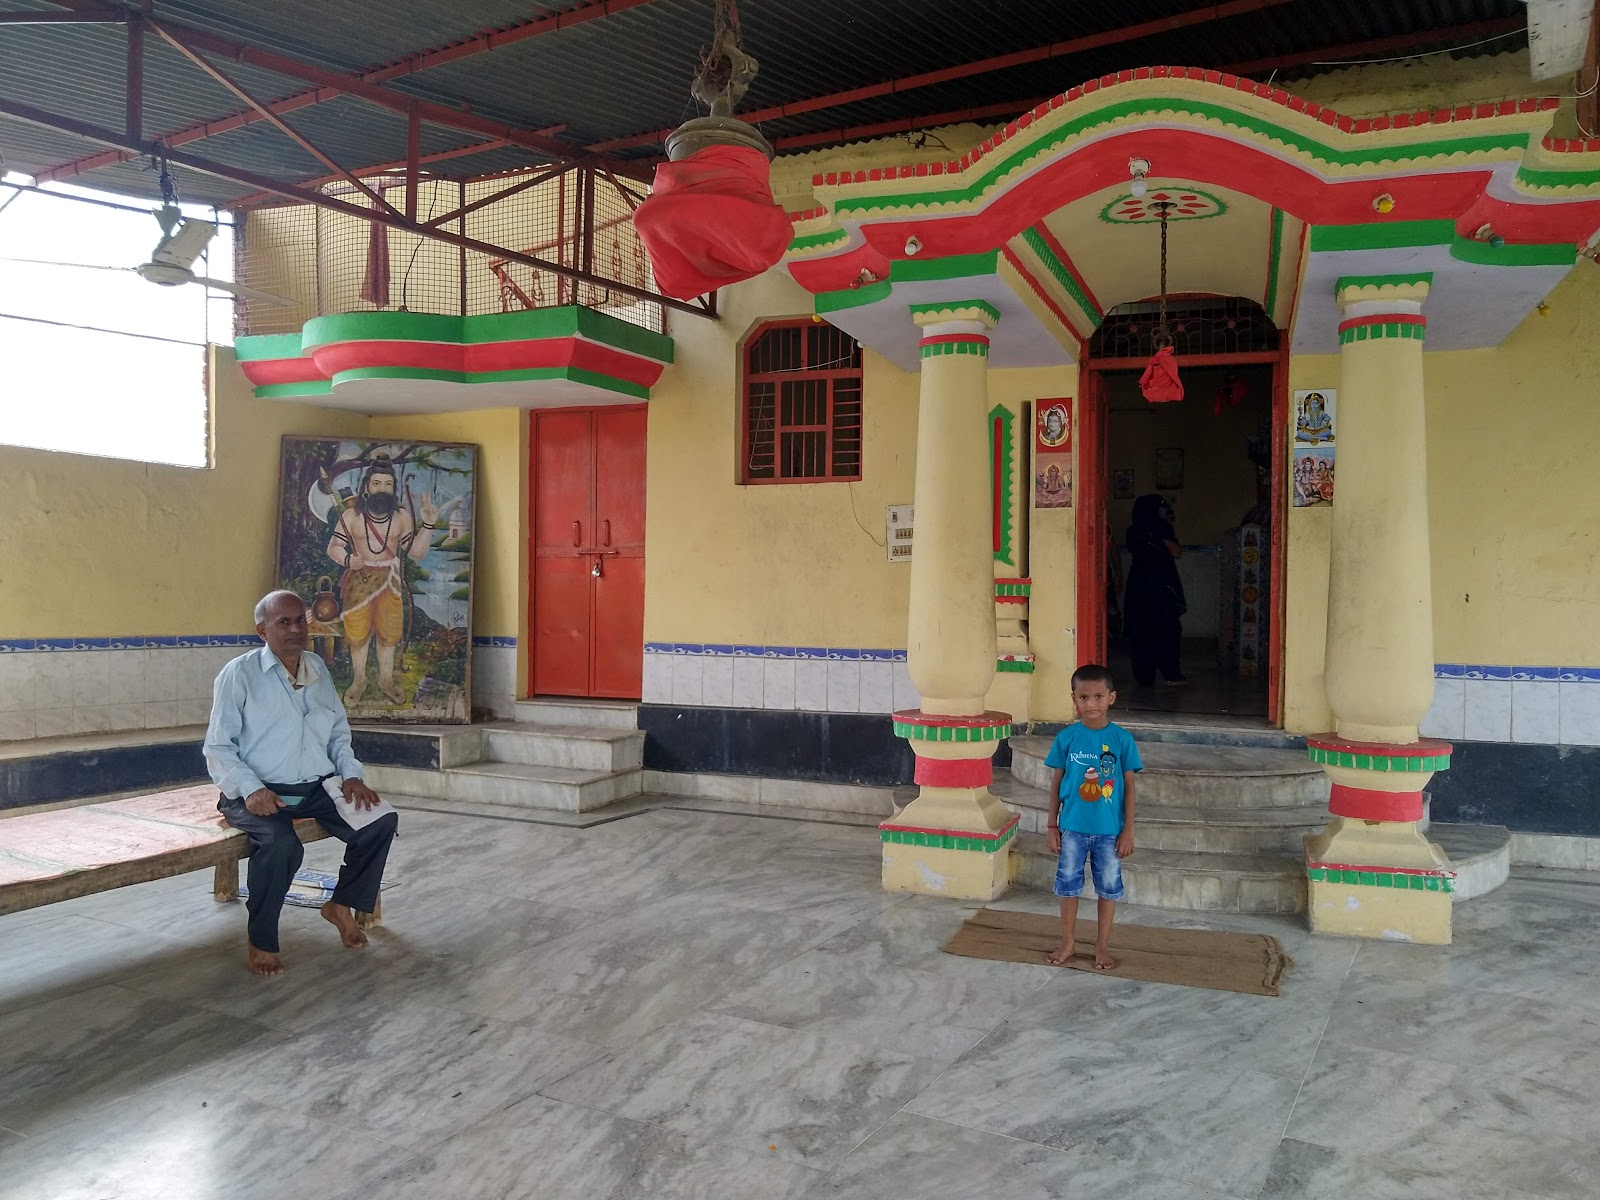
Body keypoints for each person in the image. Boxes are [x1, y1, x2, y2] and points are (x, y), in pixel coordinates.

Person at [204, 589, 398, 976]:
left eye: (300, 620)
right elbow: (218, 747)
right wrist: (250, 789)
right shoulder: (239, 675)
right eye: (284, 622)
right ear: (263, 631)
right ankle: (261, 940)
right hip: (257, 791)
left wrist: (351, 776)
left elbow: (338, 733)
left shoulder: (316, 668)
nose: (296, 629)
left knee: (379, 821)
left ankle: (340, 904)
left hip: (315, 787)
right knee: (281, 845)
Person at [1043, 664, 1142, 969]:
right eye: (1083, 697)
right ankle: (1068, 942)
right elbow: (1057, 782)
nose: (1091, 704)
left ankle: (1102, 946)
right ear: (1074, 698)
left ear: (1111, 697)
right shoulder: (1067, 737)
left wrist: (1128, 830)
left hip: (1110, 831)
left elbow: (1129, 787)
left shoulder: (1122, 740)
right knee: (1068, 887)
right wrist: (1051, 825)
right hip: (1072, 828)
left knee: (1108, 889)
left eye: (1098, 696)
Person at [326, 454, 439, 706]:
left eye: (388, 484)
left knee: (388, 635)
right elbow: (333, 547)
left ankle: (386, 680)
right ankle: (360, 681)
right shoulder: (351, 517)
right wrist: (347, 561)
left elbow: (417, 553)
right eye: (376, 483)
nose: (382, 489)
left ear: (393, 488)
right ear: (367, 487)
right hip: (359, 581)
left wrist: (429, 525)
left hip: (389, 580)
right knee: (358, 634)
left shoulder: (401, 517)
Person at [1124, 493, 1187, 687]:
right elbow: (1176, 551)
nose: (1164, 512)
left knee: (1150, 629)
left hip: (1146, 585)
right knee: (1159, 629)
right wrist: (1161, 536)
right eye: (1160, 508)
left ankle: (1148, 675)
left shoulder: (1140, 530)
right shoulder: (1143, 531)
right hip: (1155, 586)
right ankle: (1168, 674)